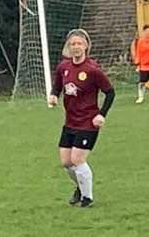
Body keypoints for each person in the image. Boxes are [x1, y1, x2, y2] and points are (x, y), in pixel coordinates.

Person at [47, 28, 115, 207]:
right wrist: (54, 95)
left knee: (78, 159)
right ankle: (80, 187)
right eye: (72, 44)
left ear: (86, 46)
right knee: (66, 162)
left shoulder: (93, 70)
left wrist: (101, 114)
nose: (76, 47)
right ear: (68, 47)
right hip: (70, 121)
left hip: (88, 122)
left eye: (79, 44)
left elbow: (110, 92)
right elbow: (57, 87)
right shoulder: (63, 67)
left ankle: (87, 198)